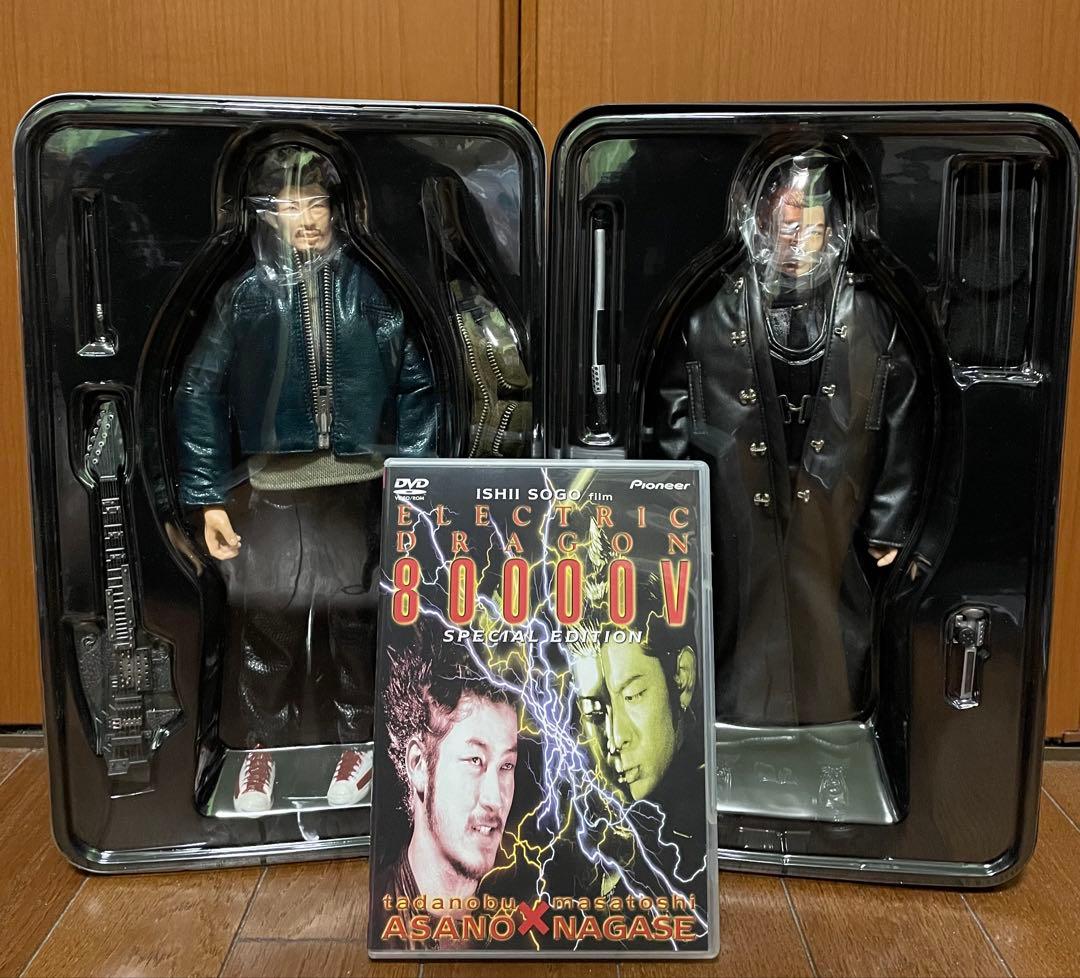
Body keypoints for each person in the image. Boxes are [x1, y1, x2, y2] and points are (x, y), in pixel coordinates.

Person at [174, 144, 438, 812]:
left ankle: (360, 742)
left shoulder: (370, 289)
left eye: (317, 202)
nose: (308, 217)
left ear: (339, 209)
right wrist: (207, 496)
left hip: (357, 481)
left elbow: (419, 381)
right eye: (291, 204)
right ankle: (259, 748)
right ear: (265, 213)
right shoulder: (246, 296)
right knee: (270, 620)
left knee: (355, 618)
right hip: (273, 487)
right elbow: (199, 389)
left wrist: (416, 478)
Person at [651, 146, 926, 726]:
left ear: (835, 231)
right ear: (760, 225)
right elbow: (674, 411)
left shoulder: (871, 315)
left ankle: (836, 715)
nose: (798, 244)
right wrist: (672, 514)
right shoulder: (711, 314)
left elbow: (902, 412)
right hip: (734, 501)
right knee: (740, 613)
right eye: (786, 227)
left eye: (813, 229)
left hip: (839, 499)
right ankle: (734, 714)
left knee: (831, 614)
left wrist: (890, 518)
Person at [372, 644, 519, 949]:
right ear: (418, 764)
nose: (495, 799)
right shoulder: (380, 918)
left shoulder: (527, 924)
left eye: (506, 765)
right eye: (475, 761)